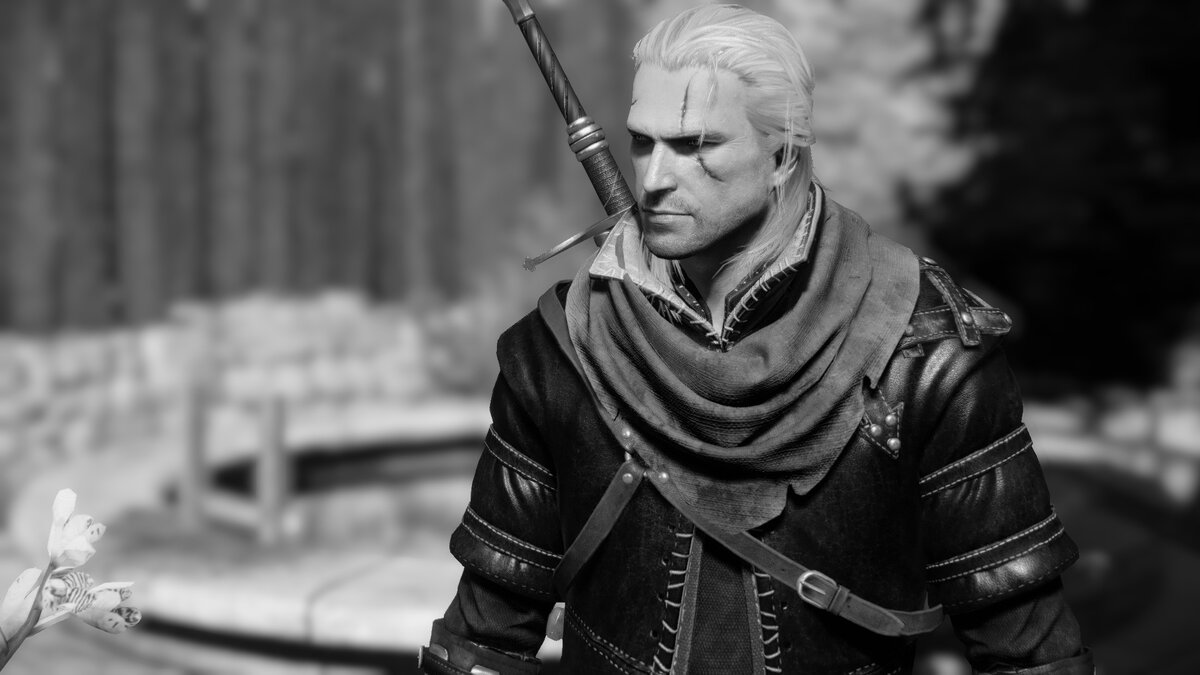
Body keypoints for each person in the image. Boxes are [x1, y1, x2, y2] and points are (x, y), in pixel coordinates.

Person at [420, 5, 1092, 674]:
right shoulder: (560, 353)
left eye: (696, 146)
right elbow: (481, 641)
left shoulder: (925, 355)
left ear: (781, 156)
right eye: (644, 143)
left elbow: (1031, 654)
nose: (653, 179)